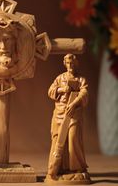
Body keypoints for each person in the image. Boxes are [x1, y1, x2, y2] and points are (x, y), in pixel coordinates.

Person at [46, 54, 90, 183]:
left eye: (72, 63)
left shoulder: (81, 79)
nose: (70, 65)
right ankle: (57, 168)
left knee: (73, 138)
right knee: (57, 140)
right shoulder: (60, 78)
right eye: (68, 63)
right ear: (64, 64)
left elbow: (84, 93)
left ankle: (76, 169)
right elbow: (50, 91)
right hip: (59, 113)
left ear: (76, 64)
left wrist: (74, 103)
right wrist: (60, 89)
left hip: (74, 114)